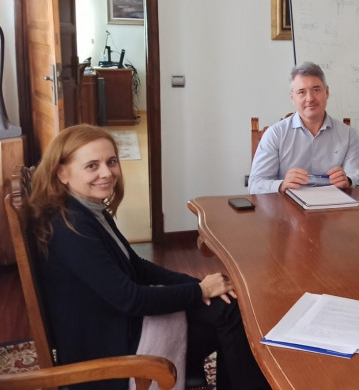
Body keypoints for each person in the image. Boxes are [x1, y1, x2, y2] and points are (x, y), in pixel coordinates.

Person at [30, 124, 269, 390]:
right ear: (62, 173)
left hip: (116, 327)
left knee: (226, 309)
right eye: (92, 166)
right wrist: (200, 290)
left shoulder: (84, 210)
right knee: (229, 318)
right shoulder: (70, 228)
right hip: (110, 351)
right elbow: (130, 298)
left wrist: (199, 286)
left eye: (111, 162)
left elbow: (138, 267)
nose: (106, 173)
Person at [248, 61, 359, 194]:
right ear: (292, 98)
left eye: (316, 90)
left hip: (334, 208)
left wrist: (349, 181)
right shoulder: (275, 134)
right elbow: (255, 185)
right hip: (288, 208)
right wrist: (281, 185)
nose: (310, 98)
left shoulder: (348, 134)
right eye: (301, 92)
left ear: (327, 92)